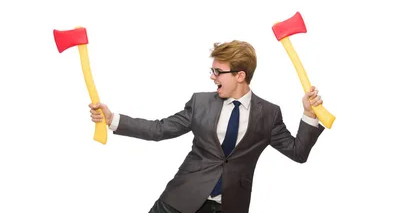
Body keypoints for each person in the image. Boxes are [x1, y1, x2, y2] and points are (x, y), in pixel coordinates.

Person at [89, 40, 326, 213]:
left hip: (229, 206)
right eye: (212, 70)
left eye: (218, 72)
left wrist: (307, 114)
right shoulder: (201, 102)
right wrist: (112, 119)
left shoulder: (269, 113)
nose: (212, 77)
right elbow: (160, 129)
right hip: (180, 199)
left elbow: (298, 152)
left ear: (240, 75)